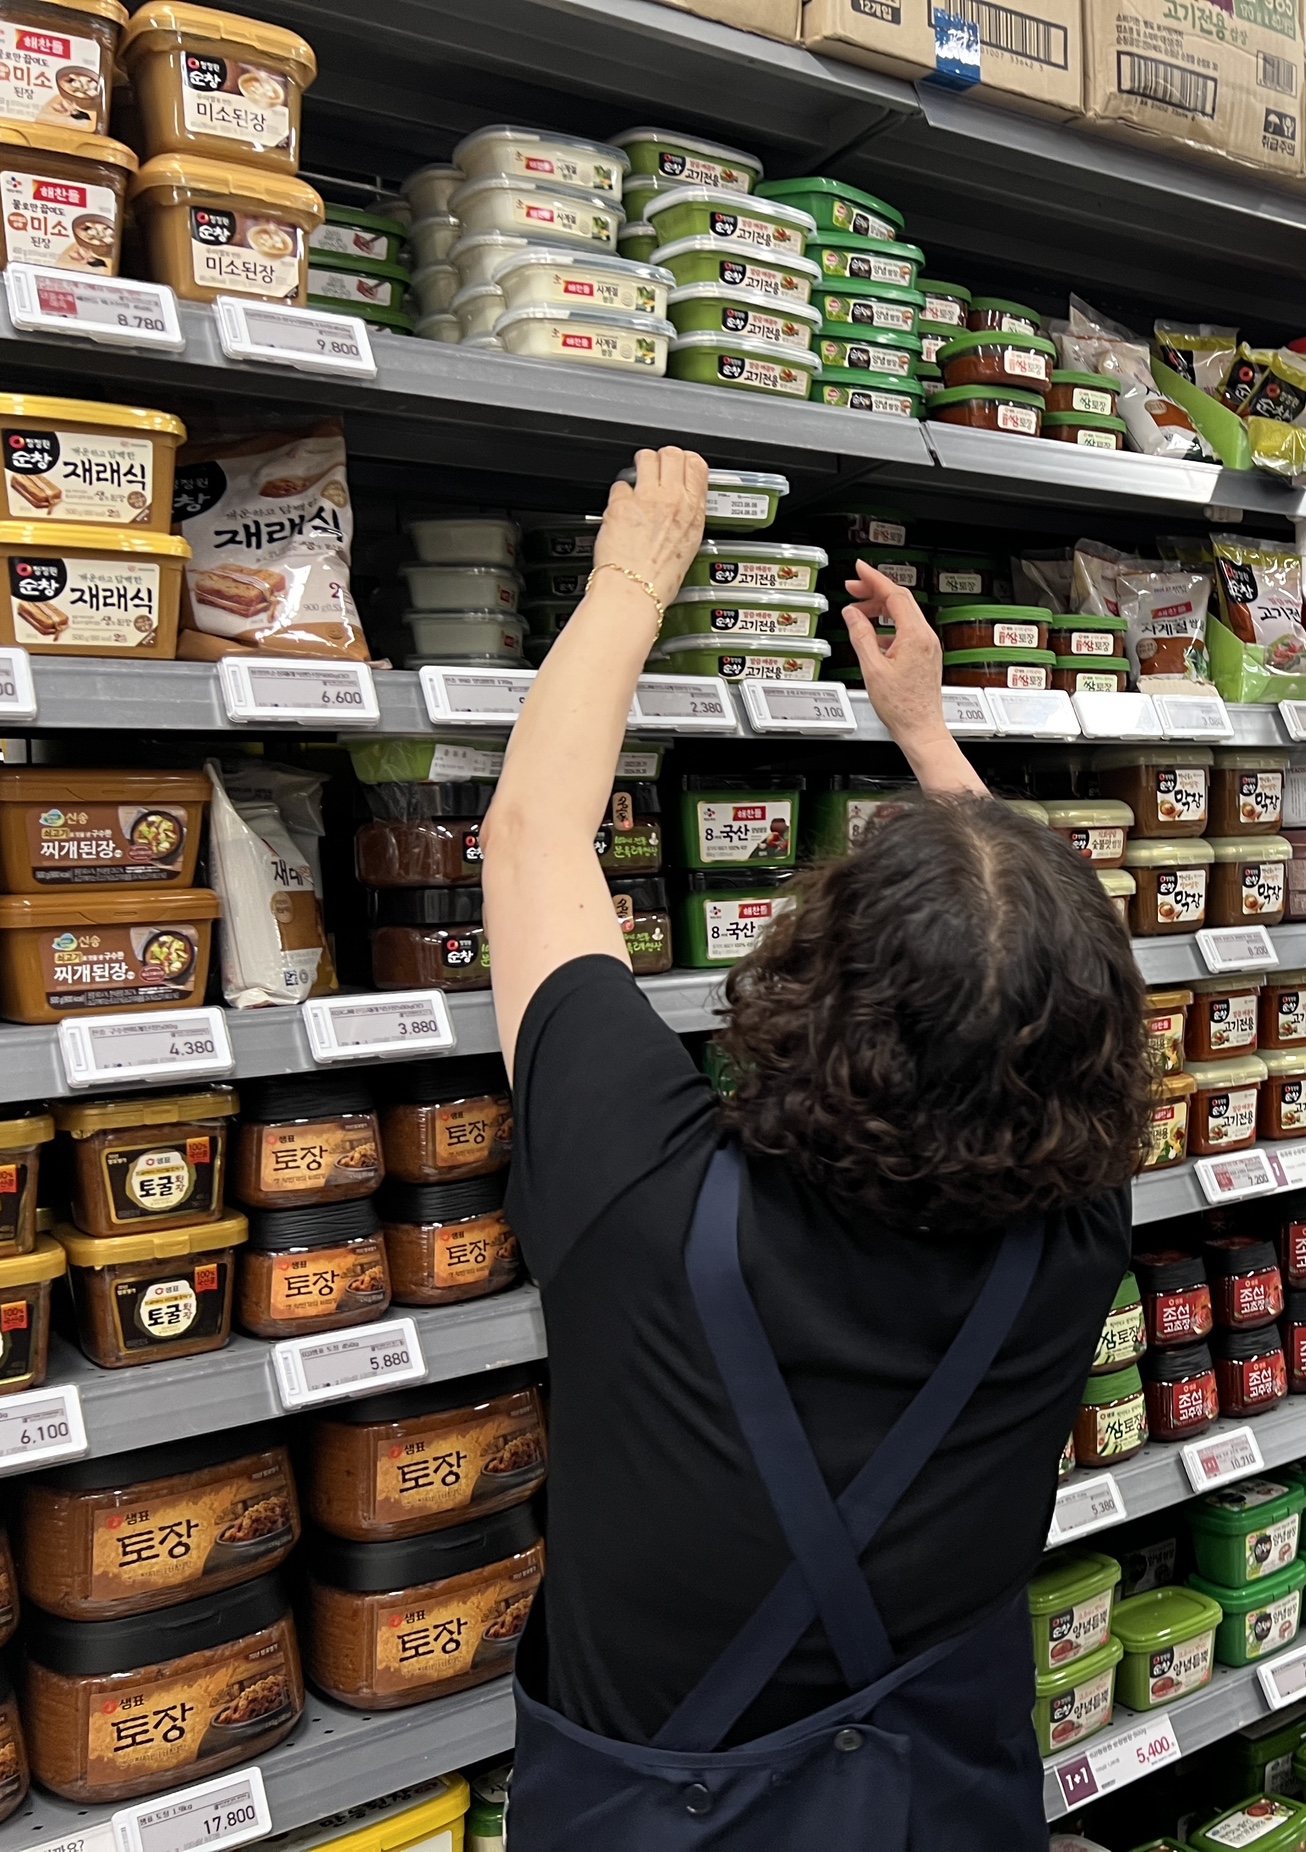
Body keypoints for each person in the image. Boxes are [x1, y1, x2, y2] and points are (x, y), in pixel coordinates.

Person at [482, 449, 1152, 1848]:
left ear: (806, 981)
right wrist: (929, 732)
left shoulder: (648, 1197)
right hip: (937, 1809)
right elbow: (1054, 985)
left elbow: (535, 838)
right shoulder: (1077, 1236)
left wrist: (630, 584)